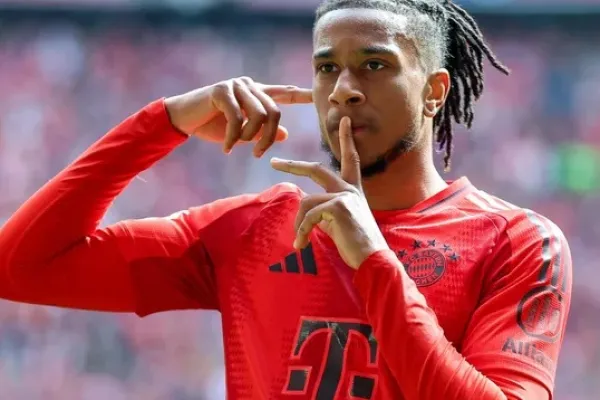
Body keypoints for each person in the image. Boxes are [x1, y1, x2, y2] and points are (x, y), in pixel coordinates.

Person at [0, 0, 571, 399]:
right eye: (327, 68)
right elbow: (19, 266)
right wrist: (164, 120)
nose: (344, 89)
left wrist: (374, 262)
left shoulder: (519, 242)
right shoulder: (254, 229)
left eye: (374, 65)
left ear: (434, 91)